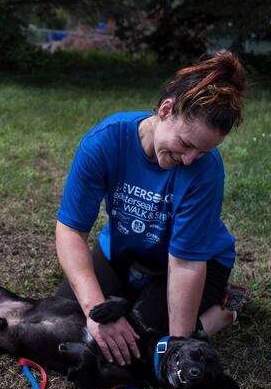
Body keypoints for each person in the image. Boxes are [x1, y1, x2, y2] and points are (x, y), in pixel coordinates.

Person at [55, 50, 249, 367]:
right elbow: (71, 229)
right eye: (186, 144)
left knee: (142, 348)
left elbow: (186, 262)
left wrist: (177, 348)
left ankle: (221, 313)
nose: (189, 160)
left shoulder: (206, 171)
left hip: (194, 263)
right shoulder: (105, 141)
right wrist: (93, 311)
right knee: (64, 321)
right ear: (165, 109)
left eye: (202, 152)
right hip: (126, 253)